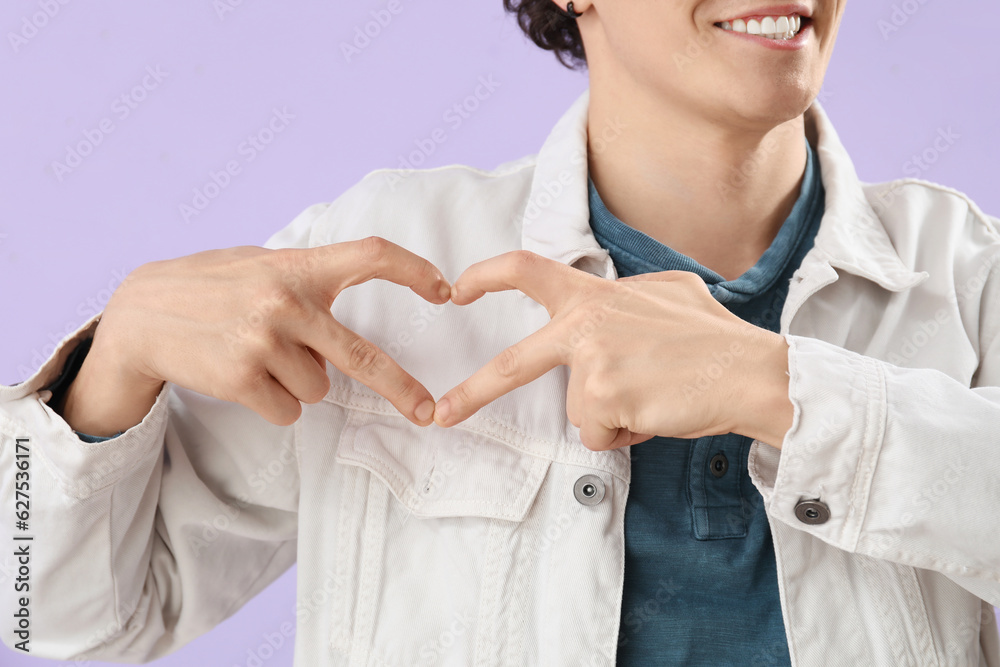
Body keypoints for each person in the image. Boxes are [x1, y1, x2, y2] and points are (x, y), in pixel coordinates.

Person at [2, 0, 998, 664]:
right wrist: (112, 364)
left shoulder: (967, 275)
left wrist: (781, 388)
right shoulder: (384, 265)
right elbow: (38, 604)